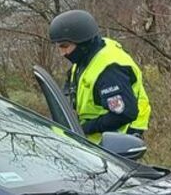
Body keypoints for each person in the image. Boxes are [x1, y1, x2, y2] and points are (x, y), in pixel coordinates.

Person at [49, 9, 151, 143]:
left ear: (83, 43)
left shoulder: (110, 71)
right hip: (91, 141)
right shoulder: (85, 59)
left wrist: (82, 128)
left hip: (118, 141)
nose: (62, 53)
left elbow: (124, 114)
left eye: (65, 46)